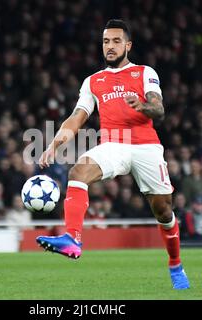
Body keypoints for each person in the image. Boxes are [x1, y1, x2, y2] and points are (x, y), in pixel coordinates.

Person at [36, 20, 189, 289]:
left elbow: (159, 109)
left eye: (116, 41)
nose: (110, 46)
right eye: (106, 41)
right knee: (78, 171)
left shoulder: (144, 72)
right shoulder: (93, 81)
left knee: (163, 211)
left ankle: (175, 264)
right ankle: (73, 239)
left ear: (128, 45)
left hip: (145, 145)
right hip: (114, 144)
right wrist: (54, 144)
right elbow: (77, 117)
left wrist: (142, 105)